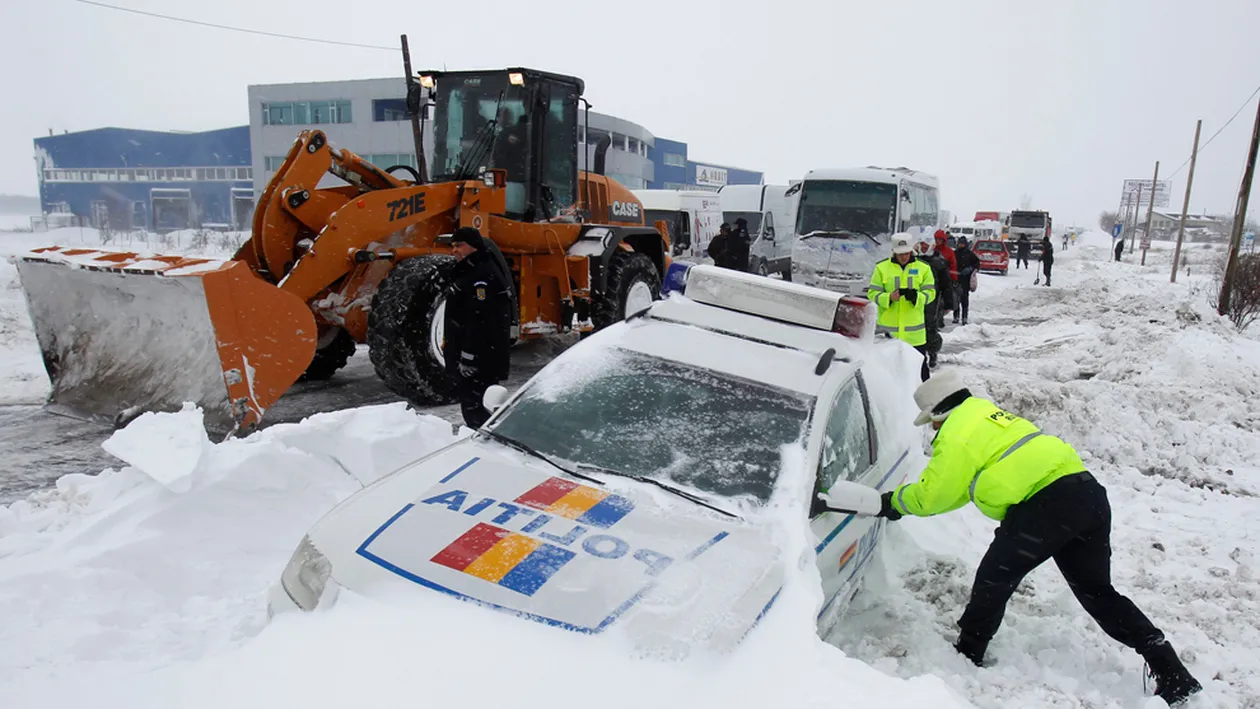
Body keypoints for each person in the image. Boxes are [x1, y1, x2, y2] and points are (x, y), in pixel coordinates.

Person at [877, 371, 1203, 707]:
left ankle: (969, 651)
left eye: (931, 422)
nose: (932, 429)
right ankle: (1171, 669)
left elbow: (935, 494)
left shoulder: (956, 434)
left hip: (1045, 505)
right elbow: (959, 487)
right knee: (1098, 592)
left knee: (995, 575)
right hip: (1088, 495)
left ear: (939, 414)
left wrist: (894, 504)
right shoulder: (989, 417)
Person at [445, 227, 514, 429]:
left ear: (473, 246)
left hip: (481, 357)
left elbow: (482, 319)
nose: (454, 250)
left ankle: (483, 443)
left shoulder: (482, 275)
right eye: (452, 246)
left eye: (459, 245)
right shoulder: (469, 270)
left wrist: (469, 356)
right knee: (473, 403)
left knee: (479, 407)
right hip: (475, 353)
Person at [867, 234, 937, 381]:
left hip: (915, 337)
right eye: (900, 254)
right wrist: (889, 298)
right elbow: (872, 293)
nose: (904, 257)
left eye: (906, 253)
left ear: (912, 251)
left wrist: (916, 297)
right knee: (887, 377)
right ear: (894, 252)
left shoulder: (923, 268)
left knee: (920, 376)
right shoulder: (881, 268)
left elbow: (931, 293)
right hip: (888, 335)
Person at [914, 236, 951, 368]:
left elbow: (946, 285)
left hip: (933, 303)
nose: (922, 248)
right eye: (921, 245)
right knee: (915, 330)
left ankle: (932, 353)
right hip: (915, 301)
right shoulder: (912, 260)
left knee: (930, 330)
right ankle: (917, 355)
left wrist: (948, 303)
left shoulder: (939, 262)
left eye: (925, 246)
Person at [933, 230, 958, 328]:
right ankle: (936, 319)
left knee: (942, 302)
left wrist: (954, 279)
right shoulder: (932, 250)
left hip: (945, 279)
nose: (938, 241)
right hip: (933, 278)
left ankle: (939, 318)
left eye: (940, 239)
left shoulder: (949, 252)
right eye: (936, 239)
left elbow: (953, 266)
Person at [953, 237, 981, 325]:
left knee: (964, 299)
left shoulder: (970, 254)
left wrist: (970, 268)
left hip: (965, 280)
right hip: (956, 278)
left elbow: (977, 263)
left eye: (962, 243)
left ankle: (964, 317)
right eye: (959, 243)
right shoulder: (954, 253)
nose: (961, 245)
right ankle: (956, 316)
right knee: (956, 298)